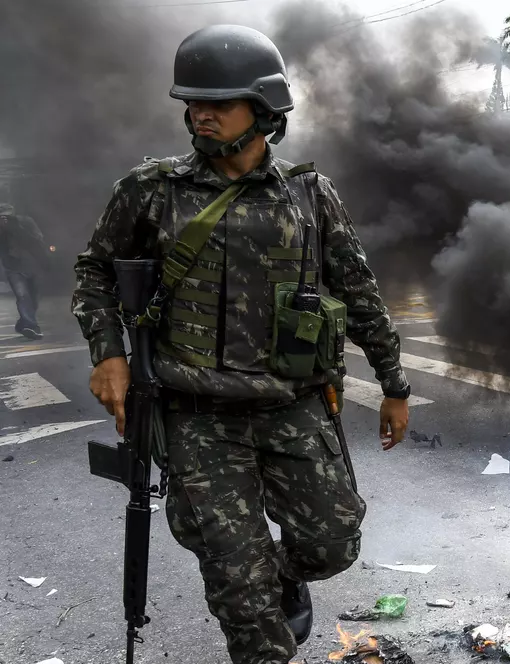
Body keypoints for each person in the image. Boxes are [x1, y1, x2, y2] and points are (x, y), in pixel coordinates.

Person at [71, 25, 412, 664]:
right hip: (198, 416)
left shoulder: (310, 196)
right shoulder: (153, 189)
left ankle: (285, 578)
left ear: (263, 111)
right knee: (241, 588)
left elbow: (360, 293)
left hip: (293, 404)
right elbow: (94, 269)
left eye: (218, 103)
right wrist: (109, 352)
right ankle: (261, 612)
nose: (199, 114)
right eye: (193, 102)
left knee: (333, 542)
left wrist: (394, 385)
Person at [0, 203, 50, 339]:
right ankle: (31, 326)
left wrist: (17, 228)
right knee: (23, 296)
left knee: (34, 298)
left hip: (33, 264)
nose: (4, 220)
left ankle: (23, 323)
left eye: (7, 217)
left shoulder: (25, 222)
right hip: (13, 268)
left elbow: (38, 238)